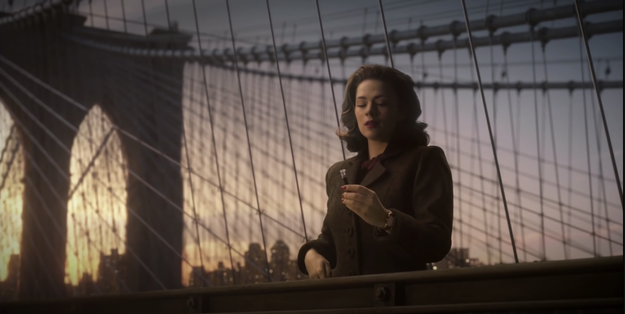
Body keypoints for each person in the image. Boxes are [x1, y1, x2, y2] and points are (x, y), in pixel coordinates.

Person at [297, 64, 453, 279]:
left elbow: (437, 243)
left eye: (381, 103)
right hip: (343, 304)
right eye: (361, 104)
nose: (369, 110)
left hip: (398, 302)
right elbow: (332, 239)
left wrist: (386, 219)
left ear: (402, 111)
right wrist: (311, 253)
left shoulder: (424, 160)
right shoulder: (337, 172)